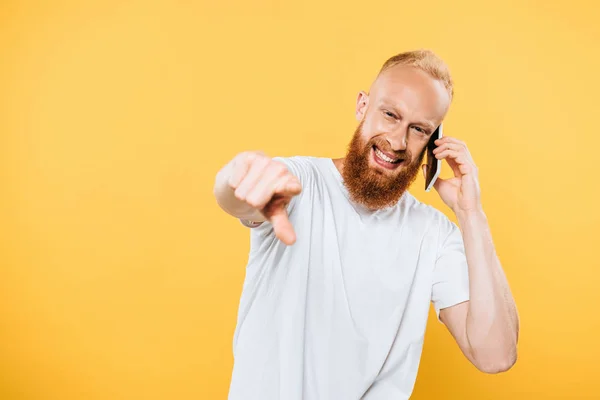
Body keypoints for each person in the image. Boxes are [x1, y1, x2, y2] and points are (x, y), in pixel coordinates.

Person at [213, 49, 519, 400]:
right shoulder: (299, 183)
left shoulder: (433, 235)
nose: (398, 141)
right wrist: (238, 178)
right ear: (363, 106)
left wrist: (471, 214)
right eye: (390, 114)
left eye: (419, 129)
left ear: (434, 143)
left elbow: (496, 355)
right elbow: (236, 196)